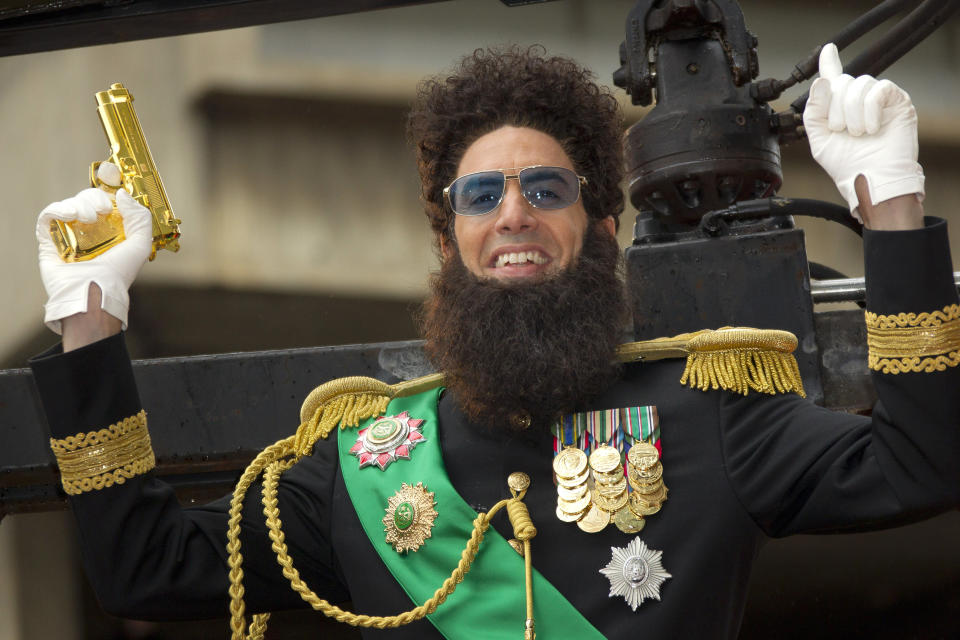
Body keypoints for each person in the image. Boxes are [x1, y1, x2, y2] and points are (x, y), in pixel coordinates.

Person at [29, 44, 959, 639]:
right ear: (449, 240)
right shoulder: (361, 464)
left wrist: (895, 212)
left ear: (600, 228)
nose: (513, 214)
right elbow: (144, 571)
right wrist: (89, 318)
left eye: (547, 190)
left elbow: (922, 463)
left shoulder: (713, 413)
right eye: (482, 196)